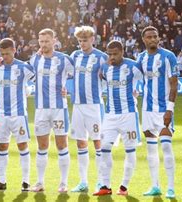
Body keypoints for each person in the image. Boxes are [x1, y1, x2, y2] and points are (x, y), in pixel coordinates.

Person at [93, 40, 142, 196]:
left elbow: (147, 81)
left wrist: (137, 92)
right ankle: (105, 186)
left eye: (115, 54)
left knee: (130, 150)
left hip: (129, 115)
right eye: (110, 54)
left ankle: (124, 187)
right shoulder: (105, 68)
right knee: (104, 148)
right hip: (110, 115)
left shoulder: (133, 66)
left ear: (122, 52)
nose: (112, 57)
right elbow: (102, 79)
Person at [30, 28, 74, 193]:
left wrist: (68, 90)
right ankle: (40, 182)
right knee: (42, 146)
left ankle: (63, 183)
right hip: (41, 109)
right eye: (41, 41)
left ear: (54, 40)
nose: (44, 44)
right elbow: (24, 75)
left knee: (62, 145)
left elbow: (78, 76)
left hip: (59, 109)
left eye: (47, 41)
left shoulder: (64, 60)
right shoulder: (35, 60)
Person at [0, 38, 33, 192]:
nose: (5, 57)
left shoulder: (23, 67)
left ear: (14, 50)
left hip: (18, 115)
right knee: (2, 146)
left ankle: (26, 182)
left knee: (22, 146)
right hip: (1, 115)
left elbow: (40, 79)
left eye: (7, 53)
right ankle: (1, 181)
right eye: (2, 54)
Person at [137, 26, 178, 199]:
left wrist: (170, 109)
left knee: (166, 146)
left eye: (155, 36)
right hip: (147, 110)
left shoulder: (168, 56)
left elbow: (174, 84)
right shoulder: (141, 58)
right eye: (149, 37)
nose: (153, 39)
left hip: (163, 111)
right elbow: (135, 78)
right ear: (144, 40)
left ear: (159, 38)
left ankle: (170, 188)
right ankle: (155, 186)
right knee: (151, 150)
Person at [69, 26, 108, 193]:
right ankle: (83, 181)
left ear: (93, 39)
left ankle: (101, 181)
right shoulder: (75, 56)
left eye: (85, 40)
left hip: (94, 106)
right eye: (80, 41)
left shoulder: (101, 57)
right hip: (78, 106)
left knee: (98, 143)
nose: (82, 44)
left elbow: (110, 75)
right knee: (80, 143)